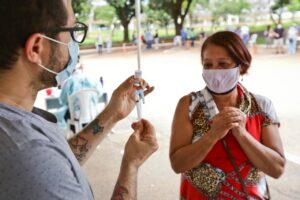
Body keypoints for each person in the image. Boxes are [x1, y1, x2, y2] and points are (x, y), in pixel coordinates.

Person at [0, 1, 158, 200]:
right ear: (37, 48)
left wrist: (111, 115)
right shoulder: (27, 155)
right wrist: (131, 166)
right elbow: (45, 167)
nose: (75, 44)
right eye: (72, 30)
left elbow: (61, 162)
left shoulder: (15, 121)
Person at [170, 31, 285, 200]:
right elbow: (178, 164)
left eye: (223, 64)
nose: (214, 71)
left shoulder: (261, 106)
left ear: (241, 67)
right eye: (208, 65)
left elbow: (277, 169)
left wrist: (242, 134)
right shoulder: (189, 105)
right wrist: (212, 135)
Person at [57, 55, 102, 133]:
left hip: (76, 116)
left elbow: (63, 100)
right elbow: (100, 93)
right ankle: (93, 133)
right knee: (88, 114)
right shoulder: (92, 78)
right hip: (92, 113)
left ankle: (77, 133)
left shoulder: (69, 82)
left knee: (64, 114)